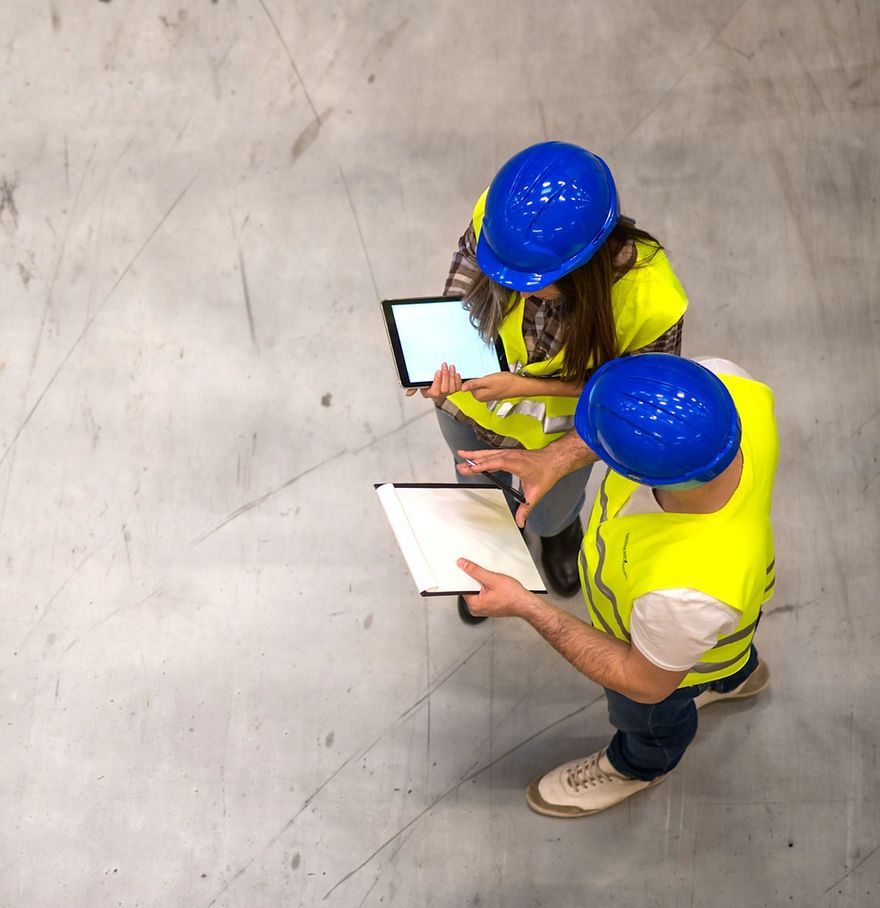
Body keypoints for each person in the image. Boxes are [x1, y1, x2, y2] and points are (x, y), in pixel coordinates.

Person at [454, 353, 778, 817]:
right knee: (724, 651)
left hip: (664, 664)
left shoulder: (685, 597)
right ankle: (737, 675)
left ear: (645, 474)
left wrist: (526, 605)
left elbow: (643, 682)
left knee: (648, 719)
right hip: (724, 619)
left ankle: (637, 767)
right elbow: (641, 415)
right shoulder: (731, 383)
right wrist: (553, 458)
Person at [407, 141, 688, 623]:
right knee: (479, 491)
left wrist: (528, 390)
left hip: (559, 440)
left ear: (584, 267)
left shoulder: (651, 301)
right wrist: (440, 359)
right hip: (470, 410)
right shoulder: (502, 219)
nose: (510, 283)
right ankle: (490, 554)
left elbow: (634, 405)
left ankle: (560, 534)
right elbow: (467, 271)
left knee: (549, 511)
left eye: (528, 278)